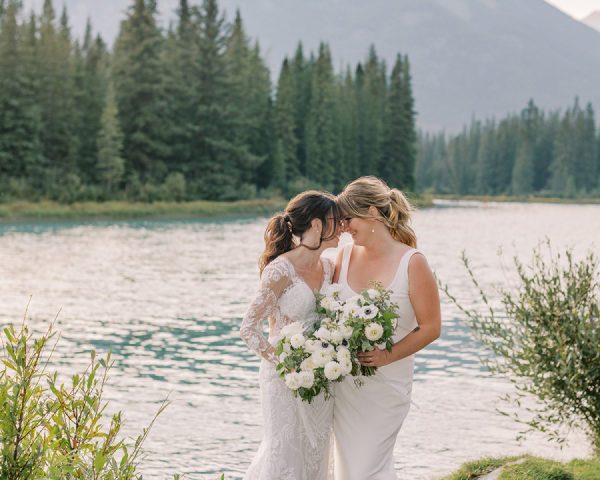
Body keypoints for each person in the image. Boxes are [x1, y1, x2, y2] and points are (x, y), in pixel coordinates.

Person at [333, 176, 441, 480]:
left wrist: (386, 356)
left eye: (347, 219)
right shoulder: (343, 255)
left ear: (371, 213)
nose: (343, 227)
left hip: (386, 388)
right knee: (349, 470)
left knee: (368, 469)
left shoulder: (412, 262)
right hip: (344, 387)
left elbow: (431, 327)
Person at [240, 190, 342, 480]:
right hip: (283, 377)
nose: (343, 227)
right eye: (336, 220)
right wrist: (288, 364)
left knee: (316, 453)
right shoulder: (279, 270)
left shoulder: (329, 267)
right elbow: (248, 329)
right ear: (317, 226)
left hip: (321, 376)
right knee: (285, 453)